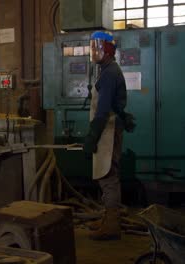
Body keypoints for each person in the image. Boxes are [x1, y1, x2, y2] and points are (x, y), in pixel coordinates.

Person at [84, 31, 135, 240]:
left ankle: (112, 226)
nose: (94, 51)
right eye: (92, 47)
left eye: (98, 47)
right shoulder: (107, 70)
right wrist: (125, 115)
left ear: (108, 50)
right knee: (106, 175)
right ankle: (108, 218)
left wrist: (91, 138)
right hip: (109, 128)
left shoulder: (109, 72)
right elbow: (115, 103)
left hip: (107, 130)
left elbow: (103, 110)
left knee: (108, 177)